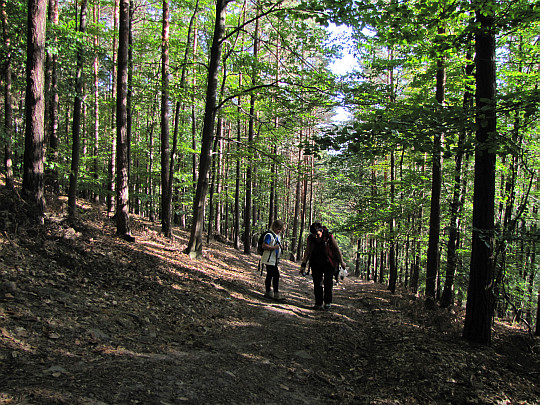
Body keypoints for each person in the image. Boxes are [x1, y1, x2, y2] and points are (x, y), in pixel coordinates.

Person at [300, 222, 346, 310]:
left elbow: (336, 249)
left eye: (317, 235)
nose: (316, 237)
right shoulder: (310, 239)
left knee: (328, 282)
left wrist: (341, 262)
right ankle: (318, 303)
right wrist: (303, 264)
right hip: (315, 262)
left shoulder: (329, 237)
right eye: (314, 235)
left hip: (328, 262)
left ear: (321, 231)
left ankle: (328, 302)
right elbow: (307, 251)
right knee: (317, 283)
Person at [261, 220, 285, 300]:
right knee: (275, 275)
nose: (279, 231)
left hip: (273, 259)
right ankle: (274, 293)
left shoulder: (277, 236)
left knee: (270, 275)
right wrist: (274, 248)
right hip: (269, 259)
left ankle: (270, 292)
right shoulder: (269, 235)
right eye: (278, 229)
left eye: (280, 229)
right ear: (274, 227)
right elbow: (264, 246)